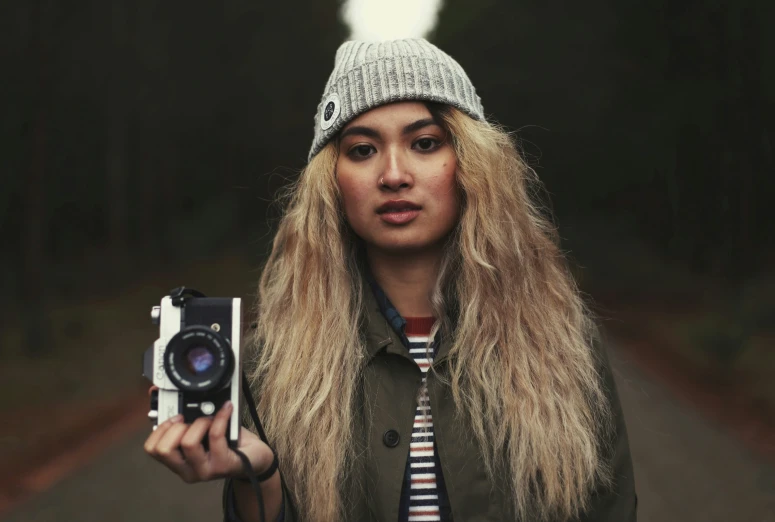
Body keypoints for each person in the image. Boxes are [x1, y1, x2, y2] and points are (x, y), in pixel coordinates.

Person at [144, 38, 638, 522]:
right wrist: (261, 475)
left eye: (424, 144)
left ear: (471, 163)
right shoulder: (276, 359)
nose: (394, 174)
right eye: (362, 150)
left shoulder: (562, 341)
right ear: (332, 181)